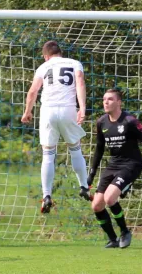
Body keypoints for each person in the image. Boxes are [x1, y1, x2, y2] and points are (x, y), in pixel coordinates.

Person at [87, 89, 142, 248]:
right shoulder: (101, 122)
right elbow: (99, 148)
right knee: (96, 205)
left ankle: (125, 232)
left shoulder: (130, 121)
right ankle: (113, 239)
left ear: (119, 102)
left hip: (131, 164)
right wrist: (92, 173)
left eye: (110, 99)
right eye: (104, 99)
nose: (106, 102)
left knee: (110, 198)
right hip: (113, 165)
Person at [21, 40, 91, 214]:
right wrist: (82, 108)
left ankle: (46, 195)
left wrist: (27, 111)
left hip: (48, 111)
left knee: (48, 154)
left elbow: (32, 91)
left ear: (46, 56)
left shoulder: (43, 67)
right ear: (60, 52)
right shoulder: (75, 63)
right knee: (75, 149)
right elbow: (80, 83)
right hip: (68, 109)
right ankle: (84, 186)